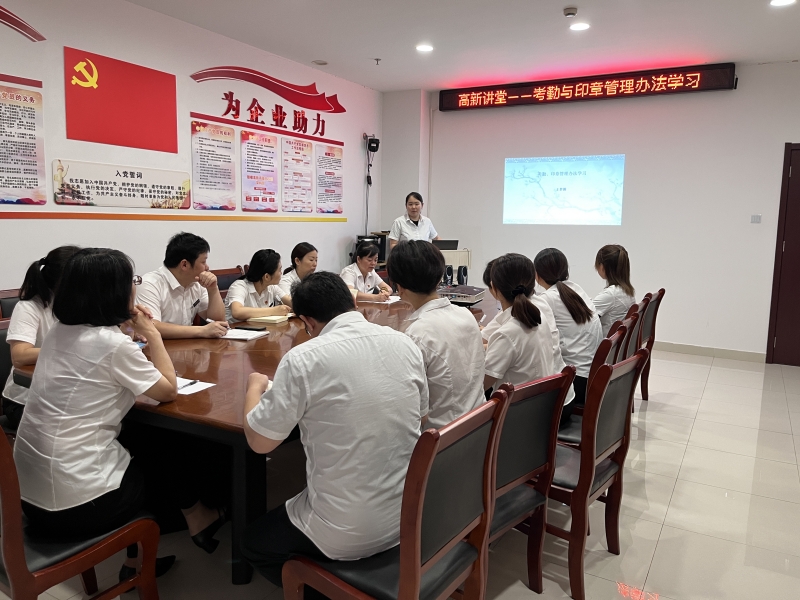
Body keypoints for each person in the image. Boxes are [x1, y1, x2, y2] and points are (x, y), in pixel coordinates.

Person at [241, 272, 428, 587]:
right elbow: (421, 418)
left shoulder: (303, 358)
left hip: (347, 531)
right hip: (410, 513)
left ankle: (328, 590)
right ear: (352, 301)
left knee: (254, 543)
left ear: (307, 322)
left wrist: (253, 388)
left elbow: (260, 443)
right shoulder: (404, 342)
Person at [388, 240, 485, 429]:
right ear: (440, 276)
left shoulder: (416, 334)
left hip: (442, 435)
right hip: (479, 424)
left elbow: (415, 410)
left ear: (399, 287)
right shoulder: (465, 315)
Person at [481, 256, 576, 420]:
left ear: (494, 289)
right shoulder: (538, 316)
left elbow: (481, 385)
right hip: (541, 412)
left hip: (517, 418)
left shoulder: (507, 333)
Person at [2, 245, 79, 429]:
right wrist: (71, 349)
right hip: (25, 402)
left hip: (65, 393)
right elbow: (19, 356)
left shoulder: (76, 305)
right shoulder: (29, 307)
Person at [534, 248, 603, 407]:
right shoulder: (575, 288)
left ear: (537, 275)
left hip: (577, 381)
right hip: (592, 375)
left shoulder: (548, 298)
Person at [136, 232, 229, 339]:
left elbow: (218, 323)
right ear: (184, 264)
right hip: (158, 346)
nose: (207, 267)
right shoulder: (149, 284)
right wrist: (202, 330)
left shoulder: (197, 283)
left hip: (188, 345)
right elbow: (150, 326)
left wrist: (213, 289)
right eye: (203, 262)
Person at [225, 249, 291, 322]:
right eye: (279, 270)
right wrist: (274, 311)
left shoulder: (271, 287)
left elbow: (290, 302)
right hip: (237, 328)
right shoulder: (239, 286)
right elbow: (237, 312)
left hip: (261, 327)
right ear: (267, 277)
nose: (281, 273)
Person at [594, 244, 636, 336]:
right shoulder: (627, 291)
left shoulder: (611, 294)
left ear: (602, 267)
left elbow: (585, 316)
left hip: (605, 342)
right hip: (618, 341)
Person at [277, 242, 318, 308]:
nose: (315, 264)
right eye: (311, 260)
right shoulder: (285, 281)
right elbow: (294, 305)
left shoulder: (316, 280)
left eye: (316, 260)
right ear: (297, 261)